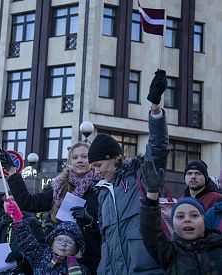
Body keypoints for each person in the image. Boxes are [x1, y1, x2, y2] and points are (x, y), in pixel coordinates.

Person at [87, 69, 169, 274]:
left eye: (98, 165)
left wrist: (155, 107)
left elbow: (157, 146)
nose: (96, 172)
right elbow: (108, 243)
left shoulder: (140, 175)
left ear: (114, 158)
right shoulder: (103, 193)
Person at [0, 142, 101, 273]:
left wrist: (90, 222)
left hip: (89, 259)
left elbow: (109, 228)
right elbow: (28, 202)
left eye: (84, 157)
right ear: (70, 161)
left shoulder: (101, 187)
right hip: (59, 258)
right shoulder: (60, 187)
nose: (79, 161)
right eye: (75, 157)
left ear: (92, 159)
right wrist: (12, 172)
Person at [139, 159, 222, 274]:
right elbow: (150, 231)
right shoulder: (170, 254)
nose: (187, 219)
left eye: (194, 215)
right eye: (180, 216)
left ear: (204, 218)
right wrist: (152, 194)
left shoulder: (216, 199)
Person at [4, 197, 89, 274]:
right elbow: (26, 239)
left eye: (69, 242)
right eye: (59, 240)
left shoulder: (82, 271)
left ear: (77, 249)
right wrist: (16, 215)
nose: (63, 244)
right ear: (52, 243)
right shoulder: (40, 257)